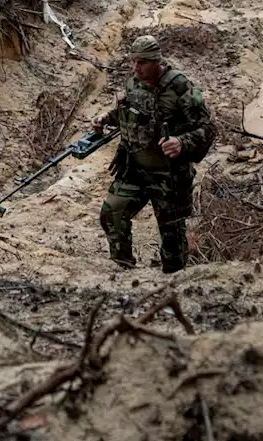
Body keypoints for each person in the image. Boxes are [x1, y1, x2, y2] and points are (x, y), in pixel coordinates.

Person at [92, 35, 216, 274]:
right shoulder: (134, 82)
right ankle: (123, 271)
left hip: (168, 175)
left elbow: (208, 128)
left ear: (156, 62)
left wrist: (182, 142)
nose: (136, 67)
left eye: (142, 62)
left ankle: (175, 280)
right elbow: (128, 109)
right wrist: (106, 118)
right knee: (111, 215)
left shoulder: (179, 87)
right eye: (133, 61)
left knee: (171, 236)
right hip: (134, 168)